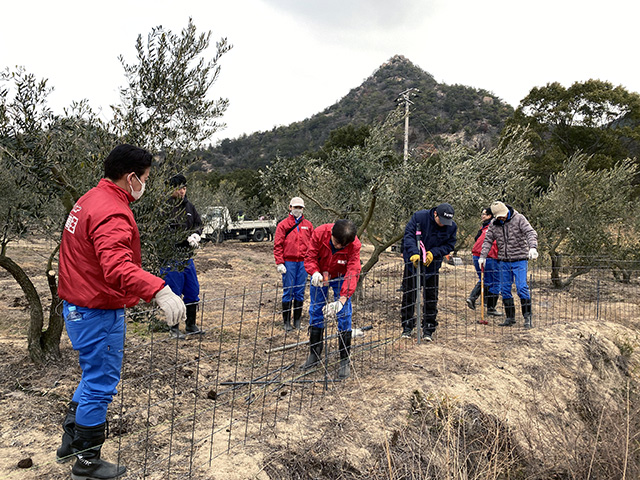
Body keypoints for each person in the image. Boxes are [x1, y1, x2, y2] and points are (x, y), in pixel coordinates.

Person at [56, 144, 186, 480]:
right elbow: (116, 267)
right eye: (145, 178)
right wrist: (158, 288)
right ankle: (87, 462)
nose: (146, 184)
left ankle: (70, 440)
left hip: (79, 303)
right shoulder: (112, 211)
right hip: (97, 309)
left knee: (91, 374)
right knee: (101, 383)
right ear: (131, 177)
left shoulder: (88, 199)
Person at [301, 219, 361, 379]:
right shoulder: (320, 233)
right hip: (322, 274)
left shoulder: (355, 245)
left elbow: (353, 271)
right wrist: (313, 272)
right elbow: (310, 255)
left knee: (345, 314)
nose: (339, 247)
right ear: (331, 233)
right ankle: (314, 354)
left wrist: (341, 300)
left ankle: (344, 360)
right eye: (336, 242)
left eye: (343, 245)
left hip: (341, 276)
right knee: (316, 309)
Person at [401, 203, 457, 340]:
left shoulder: (451, 226)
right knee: (409, 295)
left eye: (446, 222)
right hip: (412, 265)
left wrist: (434, 253)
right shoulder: (419, 217)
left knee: (431, 297)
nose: (443, 225)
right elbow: (408, 236)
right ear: (435, 214)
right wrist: (414, 253)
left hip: (432, 266)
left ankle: (429, 328)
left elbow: (449, 245)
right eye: (441, 221)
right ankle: (407, 327)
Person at [479, 201, 538, 329]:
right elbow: (488, 240)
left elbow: (530, 232)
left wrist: (532, 247)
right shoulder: (494, 225)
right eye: (499, 216)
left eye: (503, 215)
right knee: (505, 290)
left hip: (520, 259)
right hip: (503, 261)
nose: (502, 218)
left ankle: (527, 317)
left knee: (522, 287)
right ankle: (510, 318)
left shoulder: (519, 218)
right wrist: (483, 256)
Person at [161, 174, 204, 339]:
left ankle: (191, 325)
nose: (182, 191)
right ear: (172, 189)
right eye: (179, 188)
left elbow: (198, 223)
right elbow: (162, 232)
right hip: (171, 257)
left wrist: (196, 234)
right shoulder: (164, 208)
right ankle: (174, 327)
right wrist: (181, 239)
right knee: (173, 293)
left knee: (193, 290)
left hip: (187, 257)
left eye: (184, 188)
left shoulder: (189, 207)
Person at [273, 197, 314, 331]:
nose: (298, 210)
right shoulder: (283, 225)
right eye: (295, 207)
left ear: (303, 209)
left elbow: (313, 245)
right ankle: (286, 323)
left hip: (303, 262)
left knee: (300, 292)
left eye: (300, 207)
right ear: (290, 207)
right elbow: (278, 245)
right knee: (288, 291)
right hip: (289, 262)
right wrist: (279, 262)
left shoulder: (308, 225)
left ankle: (297, 322)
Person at [467, 207, 503, 320]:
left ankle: (481, 301)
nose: (483, 216)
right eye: (483, 214)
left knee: (484, 279)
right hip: (489, 256)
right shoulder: (496, 227)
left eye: (485, 214)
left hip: (476, 255)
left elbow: (476, 239)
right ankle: (489, 307)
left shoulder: (484, 228)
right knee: (494, 281)